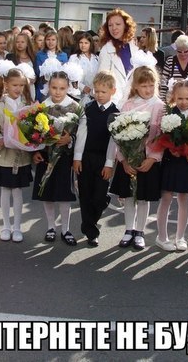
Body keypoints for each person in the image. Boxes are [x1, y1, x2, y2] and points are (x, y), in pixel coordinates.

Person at [110, 61, 165, 250]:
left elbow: (161, 136)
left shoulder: (159, 106)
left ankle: (140, 231)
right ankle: (128, 229)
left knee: (142, 197)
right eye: (143, 85)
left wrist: (153, 158)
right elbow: (118, 134)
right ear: (135, 86)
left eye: (151, 85)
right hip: (129, 157)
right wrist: (124, 160)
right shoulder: (128, 105)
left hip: (147, 158)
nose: (148, 89)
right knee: (129, 196)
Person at [32, 71, 81, 246]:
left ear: (68, 88)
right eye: (54, 88)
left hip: (65, 157)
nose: (57, 92)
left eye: (62, 88)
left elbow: (81, 133)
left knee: (64, 194)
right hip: (46, 156)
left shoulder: (75, 107)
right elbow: (34, 134)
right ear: (48, 87)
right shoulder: (42, 107)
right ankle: (51, 227)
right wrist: (35, 151)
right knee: (47, 193)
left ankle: (65, 229)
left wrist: (70, 139)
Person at [155, 78, 188, 252]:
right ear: (173, 97)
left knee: (184, 199)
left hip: (186, 163)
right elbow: (161, 137)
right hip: (171, 161)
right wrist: (171, 149)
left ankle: (180, 237)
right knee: (166, 198)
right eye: (180, 98)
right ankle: (162, 236)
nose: (183, 102)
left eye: (187, 98)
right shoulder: (168, 114)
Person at [73, 71, 118, 247]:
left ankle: (101, 204)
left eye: (103, 92)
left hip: (103, 159)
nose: (99, 95)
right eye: (96, 91)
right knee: (85, 194)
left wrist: (109, 164)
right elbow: (81, 134)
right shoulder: (87, 108)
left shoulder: (116, 113)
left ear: (113, 91)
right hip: (86, 157)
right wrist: (77, 158)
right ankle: (91, 231)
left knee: (99, 197)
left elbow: (113, 141)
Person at [0, 62, 34, 242]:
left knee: (17, 190)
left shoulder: (27, 105)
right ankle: (6, 226)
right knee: (5, 189)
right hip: (4, 155)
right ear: (6, 84)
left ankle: (17, 227)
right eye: (14, 84)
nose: (18, 88)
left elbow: (33, 128)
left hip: (21, 156)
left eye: (21, 85)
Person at [97, 8, 139, 105]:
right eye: (110, 25)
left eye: (118, 24)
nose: (114, 28)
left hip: (134, 101)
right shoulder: (106, 50)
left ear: (126, 26)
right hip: (114, 102)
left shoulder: (135, 47)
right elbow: (101, 80)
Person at [159, 35, 188, 101]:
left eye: (186, 51)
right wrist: (163, 100)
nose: (183, 54)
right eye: (179, 51)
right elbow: (163, 82)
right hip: (172, 99)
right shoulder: (170, 61)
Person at [34, 30, 69, 101]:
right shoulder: (39, 55)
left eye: (53, 40)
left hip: (58, 89)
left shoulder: (63, 55)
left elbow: (65, 73)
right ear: (45, 41)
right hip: (43, 88)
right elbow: (37, 72)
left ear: (57, 41)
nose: (50, 42)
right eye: (48, 39)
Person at [68, 32, 99, 103]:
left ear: (90, 44)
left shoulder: (97, 58)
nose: (83, 45)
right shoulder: (74, 58)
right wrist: (82, 87)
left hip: (93, 94)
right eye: (81, 43)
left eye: (86, 43)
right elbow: (70, 77)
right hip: (77, 95)